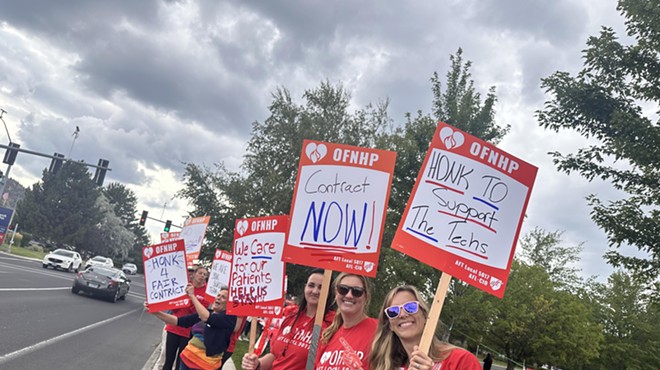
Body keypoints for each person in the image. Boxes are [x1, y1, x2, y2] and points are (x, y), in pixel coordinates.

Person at [241, 268, 335, 370]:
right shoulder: (292, 316)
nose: (315, 291)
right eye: (311, 285)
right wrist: (257, 364)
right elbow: (276, 355)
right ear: (305, 287)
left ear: (329, 292)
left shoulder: (333, 324)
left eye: (321, 287)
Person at [368, 285, 481, 370]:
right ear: (390, 325)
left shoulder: (461, 360)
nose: (402, 314)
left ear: (426, 316)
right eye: (393, 311)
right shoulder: (388, 366)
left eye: (410, 307)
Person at [148, 284, 237, 370]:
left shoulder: (229, 318)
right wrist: (155, 312)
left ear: (229, 304)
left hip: (205, 366)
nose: (218, 298)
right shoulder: (206, 312)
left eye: (223, 297)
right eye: (218, 295)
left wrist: (192, 296)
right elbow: (178, 321)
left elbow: (207, 318)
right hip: (187, 359)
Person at [314, 272, 377, 370]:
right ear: (336, 293)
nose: (349, 295)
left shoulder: (378, 330)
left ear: (366, 296)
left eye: (357, 291)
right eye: (343, 289)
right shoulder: (327, 336)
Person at [163, 266, 211, 370]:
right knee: (168, 361)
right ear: (194, 274)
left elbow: (199, 312)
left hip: (189, 331)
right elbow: (175, 307)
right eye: (200, 273)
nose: (202, 276)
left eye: (205, 274)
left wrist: (190, 299)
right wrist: (190, 300)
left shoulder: (207, 292)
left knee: (181, 362)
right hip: (174, 327)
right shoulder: (184, 286)